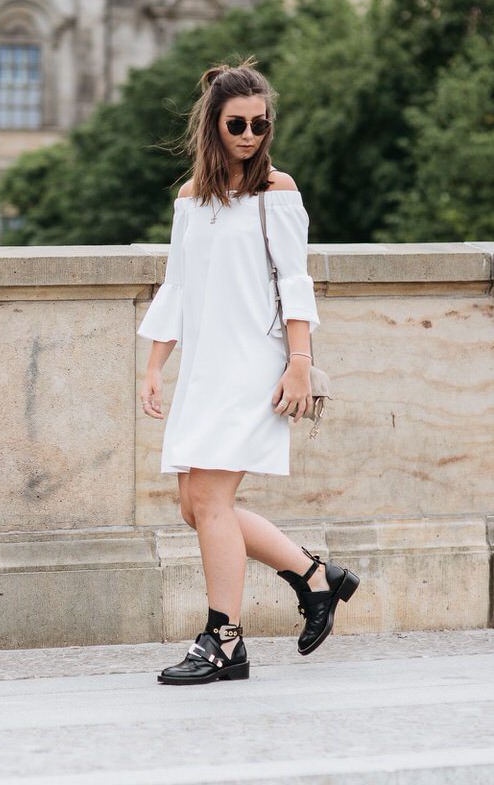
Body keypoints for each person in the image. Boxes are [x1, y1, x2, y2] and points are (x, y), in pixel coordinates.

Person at [138, 58, 360, 685]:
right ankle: (316, 577)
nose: (249, 135)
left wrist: (299, 362)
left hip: (253, 364)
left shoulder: (278, 193)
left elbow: (295, 282)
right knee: (193, 504)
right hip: (206, 365)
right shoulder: (191, 199)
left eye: (261, 125)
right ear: (213, 123)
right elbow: (177, 286)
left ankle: (225, 639)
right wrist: (155, 366)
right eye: (237, 123)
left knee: (210, 499)